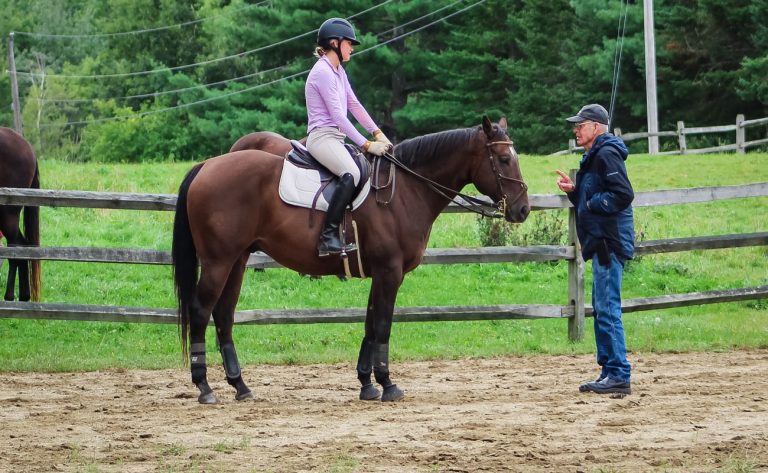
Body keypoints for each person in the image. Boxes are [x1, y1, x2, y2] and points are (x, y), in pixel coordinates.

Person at [555, 103, 635, 395]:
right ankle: (609, 371)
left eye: (581, 124)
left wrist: (589, 203)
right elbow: (595, 196)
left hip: (608, 243)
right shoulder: (594, 155)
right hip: (601, 243)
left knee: (607, 307)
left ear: (597, 127)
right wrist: (575, 193)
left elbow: (623, 194)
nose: (576, 129)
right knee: (602, 307)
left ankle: (618, 373)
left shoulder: (607, 154)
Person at [305, 17, 392, 256]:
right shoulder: (322, 71)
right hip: (322, 137)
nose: (352, 47)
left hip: (336, 138)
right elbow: (339, 117)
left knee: (363, 171)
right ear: (334, 43)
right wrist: (366, 144)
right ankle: (327, 237)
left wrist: (378, 133)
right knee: (351, 173)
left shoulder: (338, 71)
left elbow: (353, 105)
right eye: (349, 43)